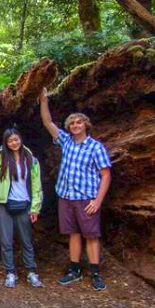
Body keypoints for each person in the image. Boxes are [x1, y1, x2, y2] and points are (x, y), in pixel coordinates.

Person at [39, 87, 112, 290]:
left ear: (86, 125)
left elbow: (106, 175)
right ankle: (74, 270)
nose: (75, 125)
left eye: (79, 122)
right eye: (72, 123)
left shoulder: (95, 147)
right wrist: (43, 101)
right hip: (66, 196)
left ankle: (95, 274)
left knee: (91, 235)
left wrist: (97, 201)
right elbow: (48, 123)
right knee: (73, 233)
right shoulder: (66, 142)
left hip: (86, 198)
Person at [0, 108, 43, 288]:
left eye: (16, 139)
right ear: (6, 143)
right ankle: (10, 273)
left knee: (26, 240)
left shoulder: (31, 160)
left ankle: (31, 272)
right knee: (6, 241)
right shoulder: (0, 158)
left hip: (24, 204)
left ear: (20, 140)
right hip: (3, 204)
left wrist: (35, 207)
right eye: (10, 140)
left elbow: (37, 185)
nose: (14, 143)